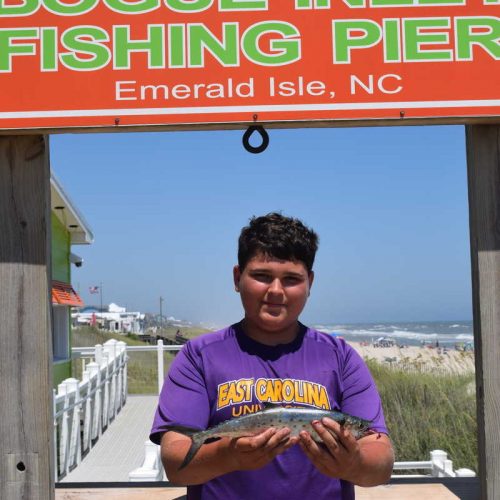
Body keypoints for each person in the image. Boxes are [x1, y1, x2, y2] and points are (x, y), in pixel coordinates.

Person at [150, 213, 394, 499]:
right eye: (262, 276)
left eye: (291, 279)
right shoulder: (198, 357)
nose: (276, 291)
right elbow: (176, 465)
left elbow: (381, 461)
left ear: (310, 282)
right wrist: (230, 455)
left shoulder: (341, 357)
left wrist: (354, 463)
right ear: (237, 277)